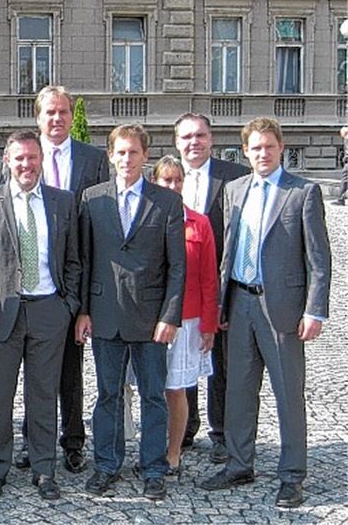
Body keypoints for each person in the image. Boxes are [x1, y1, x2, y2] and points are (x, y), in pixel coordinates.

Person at [199, 118, 331, 509]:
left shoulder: (303, 192)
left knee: (288, 392)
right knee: (238, 389)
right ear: (245, 152)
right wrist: (220, 303)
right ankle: (240, 463)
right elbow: (227, 253)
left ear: (281, 147)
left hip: (284, 309)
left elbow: (319, 259)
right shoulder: (235, 190)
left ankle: (292, 475)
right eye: (255, 148)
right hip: (239, 303)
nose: (262, 154)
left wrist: (315, 310)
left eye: (269, 147)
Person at [0, 130, 80, 501]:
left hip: (49, 310)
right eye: (19, 158)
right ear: (7, 161)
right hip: (2, 315)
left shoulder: (63, 202)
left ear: (41, 159)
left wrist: (67, 307)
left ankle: (44, 468)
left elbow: (74, 260)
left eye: (32, 157)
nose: (26, 164)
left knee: (43, 395)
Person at [75, 124, 185, 501]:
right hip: (105, 313)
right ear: (110, 156)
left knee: (153, 394)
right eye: (120, 152)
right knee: (108, 394)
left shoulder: (166, 202)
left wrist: (170, 315)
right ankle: (106, 464)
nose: (126, 159)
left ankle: (154, 468)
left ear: (145, 156)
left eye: (133, 152)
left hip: (151, 316)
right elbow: (85, 259)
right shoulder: (92, 199)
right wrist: (84, 311)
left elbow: (177, 266)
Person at [14, 85, 109, 474]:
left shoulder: (93, 159)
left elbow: (97, 230)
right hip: (30, 288)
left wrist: (81, 302)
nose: (56, 119)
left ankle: (73, 441)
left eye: (63, 112)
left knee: (70, 371)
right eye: (49, 112)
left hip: (72, 282)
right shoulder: (25, 156)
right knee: (28, 372)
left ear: (72, 117)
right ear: (37, 117)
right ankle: (31, 441)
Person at [172, 113, 249, 461]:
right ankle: (185, 427)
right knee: (181, 359)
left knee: (221, 363)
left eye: (200, 135)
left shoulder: (234, 178)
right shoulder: (166, 180)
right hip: (181, 290)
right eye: (187, 137)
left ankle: (221, 433)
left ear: (211, 139)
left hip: (221, 286)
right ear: (177, 142)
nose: (194, 142)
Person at [147, 155, 219, 474]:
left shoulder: (199, 223)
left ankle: (173, 452)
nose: (173, 185)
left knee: (175, 388)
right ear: (155, 182)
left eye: (178, 179)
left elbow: (208, 278)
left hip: (186, 319)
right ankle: (145, 447)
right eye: (166, 180)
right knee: (146, 388)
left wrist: (209, 324)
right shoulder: (144, 220)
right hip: (147, 318)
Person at [336, 126, 348, 206]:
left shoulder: (347, 139)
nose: (341, 136)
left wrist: (345, 158)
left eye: (341, 134)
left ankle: (341, 199)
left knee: (345, 179)